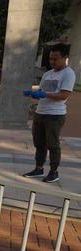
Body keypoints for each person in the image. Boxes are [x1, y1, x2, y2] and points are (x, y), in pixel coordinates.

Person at [22, 43, 76, 183]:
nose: (52, 62)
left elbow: (64, 95)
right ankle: (39, 168)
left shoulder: (68, 74)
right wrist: (35, 95)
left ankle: (54, 171)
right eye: (50, 58)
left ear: (64, 58)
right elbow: (42, 92)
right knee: (39, 143)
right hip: (41, 112)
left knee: (53, 144)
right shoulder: (47, 74)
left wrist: (44, 94)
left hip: (55, 115)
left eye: (55, 59)